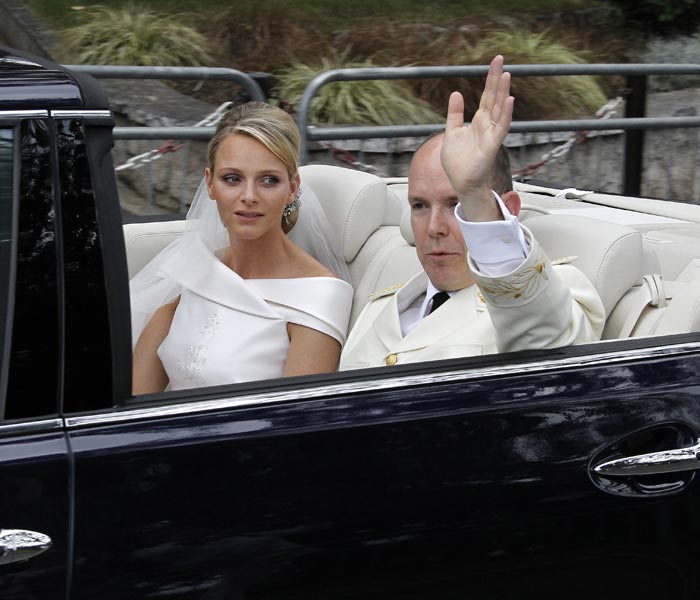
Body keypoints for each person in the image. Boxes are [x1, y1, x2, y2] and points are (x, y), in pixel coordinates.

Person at [340, 55, 605, 369]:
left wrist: (475, 197)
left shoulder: (541, 295)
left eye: (456, 205)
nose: (434, 228)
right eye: (420, 206)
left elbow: (545, 349)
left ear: (509, 209)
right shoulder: (380, 306)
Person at [131, 102, 353, 394]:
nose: (249, 196)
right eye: (232, 179)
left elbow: (295, 425)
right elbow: (136, 398)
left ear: (292, 188)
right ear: (210, 184)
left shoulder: (319, 296)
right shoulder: (194, 268)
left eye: (269, 180)